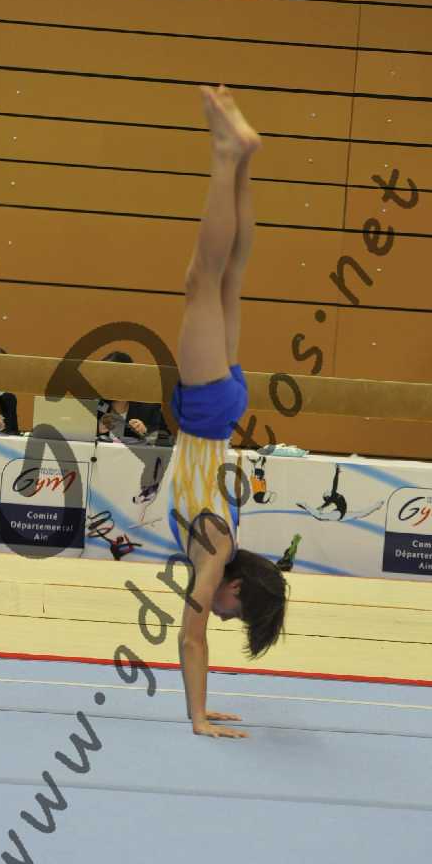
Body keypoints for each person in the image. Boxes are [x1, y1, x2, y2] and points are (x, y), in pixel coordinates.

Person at [168, 85, 288, 740]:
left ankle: (242, 160)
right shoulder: (216, 552)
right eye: (233, 613)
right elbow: (191, 638)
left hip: (224, 407)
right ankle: (226, 155)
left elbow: (200, 632)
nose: (219, 615)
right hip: (207, 411)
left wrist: (204, 705)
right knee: (203, 278)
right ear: (237, 588)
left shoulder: (225, 543)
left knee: (231, 274)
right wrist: (197, 716)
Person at [96, 351, 171, 443]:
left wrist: (146, 431)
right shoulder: (96, 404)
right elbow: (80, 432)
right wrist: (96, 429)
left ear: (130, 378)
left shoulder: (148, 407)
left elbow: (166, 437)